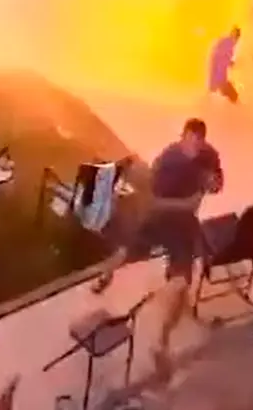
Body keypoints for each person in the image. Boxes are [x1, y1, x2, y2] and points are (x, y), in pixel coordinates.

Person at [92, 118, 223, 375]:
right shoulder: (168, 160)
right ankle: (105, 275)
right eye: (189, 141)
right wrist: (187, 204)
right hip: (162, 217)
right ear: (182, 137)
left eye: (197, 142)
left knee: (182, 280)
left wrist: (213, 183)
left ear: (202, 140)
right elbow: (155, 202)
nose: (193, 147)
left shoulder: (209, 156)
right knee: (128, 248)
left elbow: (218, 182)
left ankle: (160, 343)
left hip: (182, 226)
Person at [207, 27, 242, 104]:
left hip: (219, 69)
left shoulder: (228, 42)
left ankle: (233, 98)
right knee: (222, 85)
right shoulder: (227, 42)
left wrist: (229, 63)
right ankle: (234, 99)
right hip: (219, 70)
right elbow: (221, 56)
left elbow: (221, 55)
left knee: (220, 85)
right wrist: (229, 63)